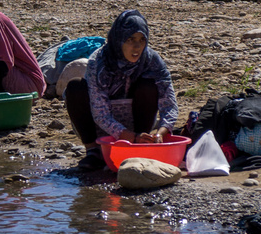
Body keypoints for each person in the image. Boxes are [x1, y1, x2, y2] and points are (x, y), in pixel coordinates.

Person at [64, 10, 178, 171]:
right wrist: (128, 136)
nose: (137, 46)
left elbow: (170, 104)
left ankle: (140, 148)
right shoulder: (98, 61)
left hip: (137, 126)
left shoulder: (152, 60)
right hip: (101, 125)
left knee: (148, 85)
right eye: (131, 39)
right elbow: (100, 113)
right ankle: (93, 151)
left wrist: (161, 132)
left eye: (142, 40)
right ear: (119, 40)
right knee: (75, 87)